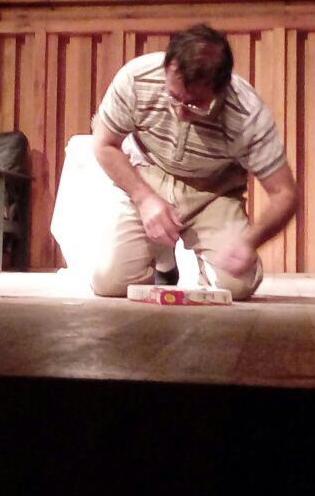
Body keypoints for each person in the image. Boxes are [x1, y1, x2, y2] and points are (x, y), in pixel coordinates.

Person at [91, 23, 298, 300]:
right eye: (174, 97)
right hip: (147, 176)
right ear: (167, 69)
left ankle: (200, 264)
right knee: (109, 282)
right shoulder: (136, 79)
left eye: (195, 104)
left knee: (235, 287)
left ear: (222, 88)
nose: (180, 112)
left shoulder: (247, 114)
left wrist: (250, 241)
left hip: (213, 192)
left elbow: (285, 194)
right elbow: (103, 143)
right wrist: (144, 198)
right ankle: (163, 260)